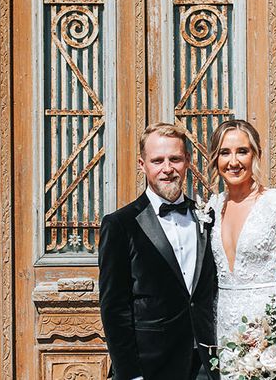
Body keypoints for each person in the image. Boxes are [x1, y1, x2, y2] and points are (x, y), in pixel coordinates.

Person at [98, 123, 219, 380]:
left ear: (187, 160)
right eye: (157, 160)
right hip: (151, 366)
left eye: (175, 159)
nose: (167, 168)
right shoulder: (120, 224)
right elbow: (114, 308)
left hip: (207, 364)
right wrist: (130, 374)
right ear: (142, 165)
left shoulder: (207, 216)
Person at [207, 119, 276, 357]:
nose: (233, 162)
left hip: (270, 330)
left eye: (242, 151)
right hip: (224, 333)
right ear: (216, 158)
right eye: (225, 153)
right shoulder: (211, 208)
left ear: (256, 155)